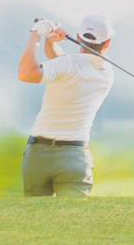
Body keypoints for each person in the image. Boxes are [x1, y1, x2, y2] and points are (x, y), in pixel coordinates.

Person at [16, 15, 115, 196]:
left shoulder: (67, 64)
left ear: (78, 37)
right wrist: (50, 42)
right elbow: (64, 65)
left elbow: (26, 73)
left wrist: (36, 34)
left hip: (38, 155)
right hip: (74, 157)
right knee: (73, 214)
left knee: (35, 214)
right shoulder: (107, 72)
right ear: (107, 42)